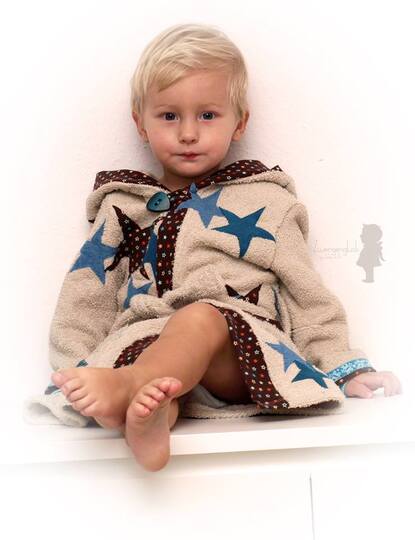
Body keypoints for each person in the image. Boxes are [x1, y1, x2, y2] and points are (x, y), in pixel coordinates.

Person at [26, 23, 402, 472]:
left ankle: (127, 385)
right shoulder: (124, 207)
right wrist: (73, 369)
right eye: (169, 116)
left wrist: (344, 365)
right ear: (140, 122)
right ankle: (148, 417)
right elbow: (86, 295)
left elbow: (306, 292)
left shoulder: (265, 200)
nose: (188, 133)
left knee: (199, 317)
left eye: (207, 115)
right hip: (149, 346)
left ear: (239, 121)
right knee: (158, 391)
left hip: (235, 350)